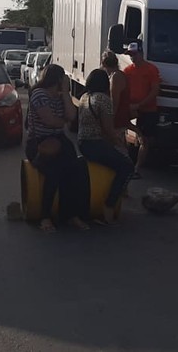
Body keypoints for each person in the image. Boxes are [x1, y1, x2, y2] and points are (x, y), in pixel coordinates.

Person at [25, 64, 90, 233]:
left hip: (60, 140)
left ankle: (71, 214)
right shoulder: (39, 94)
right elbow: (50, 120)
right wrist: (63, 122)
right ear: (58, 79)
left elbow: (71, 116)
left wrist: (66, 93)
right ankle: (45, 216)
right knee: (53, 172)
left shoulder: (61, 96)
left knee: (76, 170)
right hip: (39, 142)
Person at [77, 69, 135, 225]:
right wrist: (119, 143)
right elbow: (108, 130)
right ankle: (109, 205)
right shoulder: (104, 100)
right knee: (127, 167)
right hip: (96, 144)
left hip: (83, 143)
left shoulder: (84, 97)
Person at [123, 41, 160, 178]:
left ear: (141, 53)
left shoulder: (151, 69)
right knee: (124, 135)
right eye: (130, 55)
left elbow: (154, 91)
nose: (132, 57)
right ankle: (127, 164)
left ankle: (136, 168)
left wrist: (139, 105)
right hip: (131, 109)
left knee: (145, 140)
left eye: (134, 54)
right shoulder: (127, 71)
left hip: (148, 110)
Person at [101, 50, 133, 153]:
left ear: (104, 64)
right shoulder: (117, 75)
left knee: (117, 148)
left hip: (117, 120)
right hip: (119, 119)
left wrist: (109, 122)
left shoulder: (116, 77)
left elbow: (114, 103)